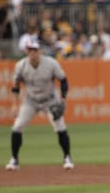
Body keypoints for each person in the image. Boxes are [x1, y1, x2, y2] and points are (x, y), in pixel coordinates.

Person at [6, 40, 75, 170]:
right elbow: (15, 86)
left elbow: (63, 80)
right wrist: (14, 104)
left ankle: (67, 158)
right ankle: (14, 159)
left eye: (35, 50)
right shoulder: (21, 65)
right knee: (17, 127)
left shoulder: (50, 63)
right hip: (30, 101)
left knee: (60, 127)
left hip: (49, 100)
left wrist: (63, 100)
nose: (33, 53)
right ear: (27, 52)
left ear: (39, 51)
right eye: (30, 50)